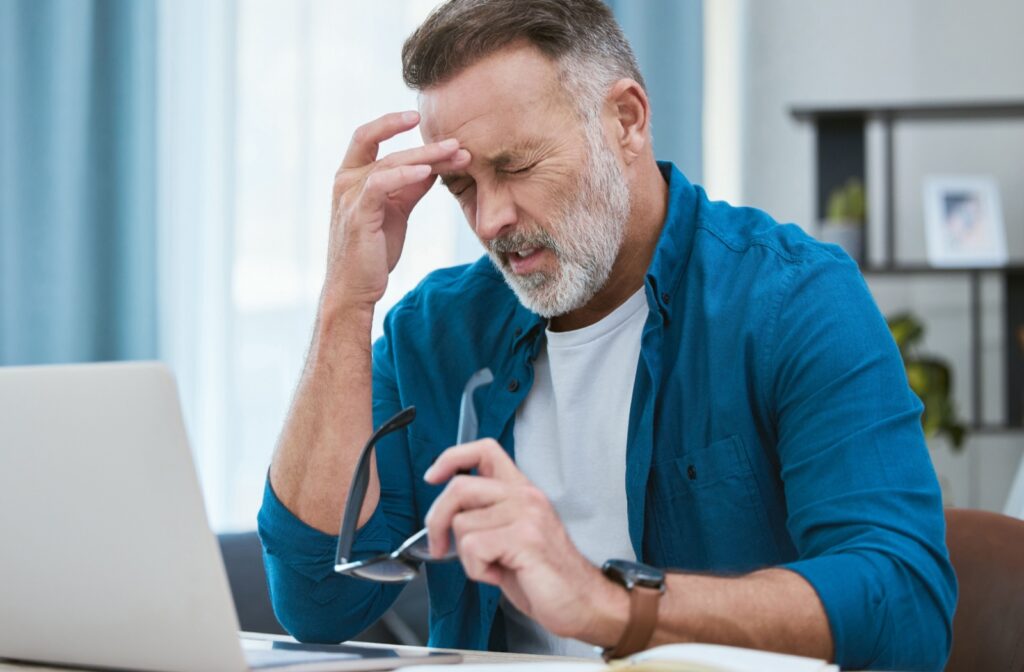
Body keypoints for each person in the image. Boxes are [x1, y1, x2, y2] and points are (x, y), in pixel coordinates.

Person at [258, 1, 956, 669]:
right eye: (463, 187)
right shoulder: (435, 332)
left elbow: (906, 607)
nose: (491, 219)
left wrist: (611, 605)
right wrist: (346, 302)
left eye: (518, 166)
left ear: (626, 120)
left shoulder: (792, 301)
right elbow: (317, 600)